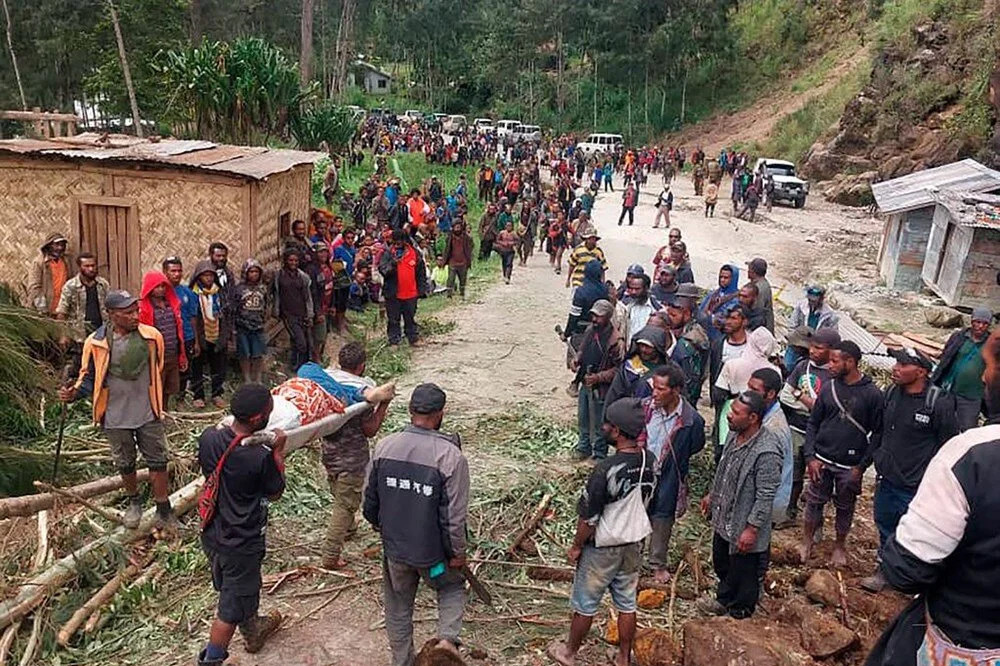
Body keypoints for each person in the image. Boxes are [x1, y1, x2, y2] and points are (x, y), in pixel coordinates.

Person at [864, 370, 1000, 666]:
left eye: (989, 368)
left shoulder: (972, 454)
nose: (983, 378)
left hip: (963, 643)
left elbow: (906, 571)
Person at [362, 384, 469, 666]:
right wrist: (457, 552)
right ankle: (447, 642)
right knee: (450, 588)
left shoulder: (385, 446)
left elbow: (369, 501)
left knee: (398, 605)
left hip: (396, 553)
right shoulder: (450, 457)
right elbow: (453, 518)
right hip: (433, 558)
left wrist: (381, 527)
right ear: (440, 414)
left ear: (410, 412)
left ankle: (402, 661)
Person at [547, 398, 657, 666]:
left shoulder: (605, 470)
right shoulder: (649, 459)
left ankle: (569, 653)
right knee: (627, 603)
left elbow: (589, 518)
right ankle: (623, 656)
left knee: (585, 603)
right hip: (634, 543)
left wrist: (575, 546)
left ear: (617, 431)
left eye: (607, 424)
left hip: (603, 547)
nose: (604, 427)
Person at [59, 290, 173, 530]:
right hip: (114, 413)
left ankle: (164, 509)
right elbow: (89, 378)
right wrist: (73, 394)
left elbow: (159, 367)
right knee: (125, 461)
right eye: (128, 312)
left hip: (147, 409)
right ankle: (134, 502)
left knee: (158, 460)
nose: (135, 316)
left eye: (136, 311)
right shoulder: (96, 342)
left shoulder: (152, 337)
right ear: (111, 315)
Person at [196, 384, 286, 665]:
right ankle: (212, 659)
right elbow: (275, 492)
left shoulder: (209, 438)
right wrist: (278, 452)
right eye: (270, 410)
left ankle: (254, 629)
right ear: (259, 419)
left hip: (212, 533)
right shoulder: (258, 456)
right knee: (230, 606)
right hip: (241, 541)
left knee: (239, 588)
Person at [860, 348, 958, 593]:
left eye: (903, 365)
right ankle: (884, 569)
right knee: (885, 525)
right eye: (896, 363)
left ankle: (914, 580)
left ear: (922, 372)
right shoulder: (892, 393)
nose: (896, 368)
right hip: (888, 478)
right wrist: (868, 462)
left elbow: (949, 446)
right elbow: (880, 431)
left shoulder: (938, 403)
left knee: (916, 534)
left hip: (917, 485)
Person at [698, 391, 782, 620]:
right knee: (723, 562)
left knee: (744, 570)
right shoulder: (735, 436)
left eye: (736, 412)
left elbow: (766, 495)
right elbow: (724, 471)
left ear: (753, 418)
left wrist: (752, 528)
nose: (729, 416)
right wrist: (712, 495)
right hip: (725, 518)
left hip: (743, 523)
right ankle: (723, 599)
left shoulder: (766, 451)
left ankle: (740, 611)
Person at [800, 340, 884, 567]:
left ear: (851, 362)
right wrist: (811, 457)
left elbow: (877, 434)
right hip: (822, 459)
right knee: (814, 502)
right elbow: (813, 423)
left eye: (835, 361)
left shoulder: (872, 394)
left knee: (845, 506)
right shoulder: (828, 387)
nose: (829, 366)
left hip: (850, 464)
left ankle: (839, 545)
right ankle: (807, 541)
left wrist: (861, 467)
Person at [321, 342, 394, 569]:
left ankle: (349, 529)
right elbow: (369, 430)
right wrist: (383, 405)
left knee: (339, 492)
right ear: (361, 366)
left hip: (329, 453)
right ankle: (330, 555)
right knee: (345, 504)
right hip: (351, 458)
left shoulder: (327, 382)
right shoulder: (364, 391)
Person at [644, 364, 706, 584]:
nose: (655, 393)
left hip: (669, 475)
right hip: (642, 472)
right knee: (635, 513)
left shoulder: (692, 421)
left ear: (676, 391)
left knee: (663, 516)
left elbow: (695, 446)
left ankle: (656, 564)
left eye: (661, 389)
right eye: (654, 387)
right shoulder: (645, 409)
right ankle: (628, 560)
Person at [778, 328, 840, 524]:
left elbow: (831, 408)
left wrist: (802, 397)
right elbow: (786, 396)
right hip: (797, 428)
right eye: (812, 346)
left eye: (819, 348)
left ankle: (816, 521)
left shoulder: (834, 374)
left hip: (822, 434)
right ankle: (789, 510)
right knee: (793, 472)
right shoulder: (802, 367)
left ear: (832, 350)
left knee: (819, 478)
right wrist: (812, 405)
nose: (813, 351)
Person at [713, 327, 781, 457]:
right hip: (761, 416)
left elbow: (718, 395)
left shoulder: (732, 364)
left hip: (733, 407)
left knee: (726, 450)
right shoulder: (775, 371)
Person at [572, 300, 626, 461]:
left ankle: (599, 453)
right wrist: (576, 360)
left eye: (599, 316)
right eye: (593, 315)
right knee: (583, 417)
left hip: (602, 389)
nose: (595, 319)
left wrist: (598, 377)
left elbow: (620, 369)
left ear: (608, 317)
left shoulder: (616, 341)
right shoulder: (591, 330)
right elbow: (583, 349)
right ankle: (584, 447)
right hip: (585, 381)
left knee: (600, 422)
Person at [931, 307, 992, 430]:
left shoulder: (992, 344)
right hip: (948, 389)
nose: (980, 326)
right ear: (972, 321)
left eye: (985, 323)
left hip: (972, 395)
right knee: (939, 422)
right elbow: (946, 357)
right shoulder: (959, 336)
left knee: (967, 428)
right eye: (978, 322)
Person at [748, 367, 793, 524]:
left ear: (771, 394)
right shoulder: (763, 416)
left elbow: (768, 479)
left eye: (754, 390)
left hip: (765, 505)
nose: (747, 393)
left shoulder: (773, 429)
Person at [138, 271, 189, 408]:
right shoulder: (144, 309)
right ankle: (155, 412)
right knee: (156, 385)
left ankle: (164, 410)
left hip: (172, 352)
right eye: (157, 287)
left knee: (169, 386)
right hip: (155, 355)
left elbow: (178, 329)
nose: (161, 290)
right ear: (149, 288)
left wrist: (181, 354)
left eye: (163, 286)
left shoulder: (171, 305)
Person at [708, 306, 751, 459]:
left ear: (744, 321)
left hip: (747, 400)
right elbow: (713, 370)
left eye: (734, 318)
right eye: (728, 318)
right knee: (722, 438)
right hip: (724, 398)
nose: (729, 322)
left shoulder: (752, 346)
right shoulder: (719, 345)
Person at [189, 261, 230, 409]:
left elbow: (226, 313)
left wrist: (226, 334)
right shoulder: (193, 293)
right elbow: (192, 316)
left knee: (218, 365)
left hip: (217, 332)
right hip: (200, 334)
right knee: (197, 366)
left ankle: (217, 394)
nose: (208, 279)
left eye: (211, 275)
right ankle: (198, 395)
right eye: (205, 275)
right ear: (198, 277)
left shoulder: (219, 292)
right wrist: (196, 339)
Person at [379, 230, 427, 347]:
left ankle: (412, 338)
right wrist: (393, 264)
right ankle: (394, 341)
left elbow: (421, 273)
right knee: (393, 319)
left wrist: (421, 290)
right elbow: (383, 270)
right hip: (393, 293)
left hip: (411, 293)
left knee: (410, 317)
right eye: (395, 241)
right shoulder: (388, 254)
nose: (397, 243)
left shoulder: (414, 253)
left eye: (400, 241)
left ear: (405, 241)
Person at [604, 327, 670, 410]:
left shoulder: (668, 370)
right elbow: (614, 394)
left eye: (648, 347)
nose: (643, 350)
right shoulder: (628, 367)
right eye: (641, 345)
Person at [162, 257, 200, 400]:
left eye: (179, 270)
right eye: (173, 271)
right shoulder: (160, 292)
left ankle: (181, 398)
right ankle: (165, 399)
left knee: (184, 369)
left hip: (186, 337)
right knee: (166, 369)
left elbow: (193, 317)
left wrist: (196, 341)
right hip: (168, 339)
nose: (177, 274)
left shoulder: (187, 293)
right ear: (165, 272)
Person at [272, 248, 314, 371]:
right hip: (288, 314)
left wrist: (309, 314)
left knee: (300, 340)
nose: (293, 263)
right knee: (301, 342)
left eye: (296, 260)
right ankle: (299, 367)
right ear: (285, 260)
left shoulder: (303, 277)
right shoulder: (279, 275)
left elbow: (308, 296)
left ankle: (296, 365)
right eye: (290, 260)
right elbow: (273, 293)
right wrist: (276, 310)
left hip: (302, 313)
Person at [55, 252, 109, 344]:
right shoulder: (71, 286)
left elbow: (109, 308)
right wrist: (63, 335)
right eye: (86, 266)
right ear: (80, 267)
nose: (91, 269)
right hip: (79, 336)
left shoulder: (103, 284)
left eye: (93, 265)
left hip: (100, 333)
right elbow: (62, 312)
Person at [232, 259, 269, 384]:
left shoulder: (263, 288)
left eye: (256, 272)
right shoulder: (239, 289)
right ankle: (247, 378)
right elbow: (234, 307)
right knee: (244, 353)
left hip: (258, 326)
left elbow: (266, 304)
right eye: (251, 271)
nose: (254, 274)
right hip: (242, 326)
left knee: (258, 353)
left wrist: (264, 319)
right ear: (245, 273)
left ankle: (257, 378)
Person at [28, 232, 73, 314]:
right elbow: (34, 287)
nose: (60, 248)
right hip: (45, 308)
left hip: (61, 309)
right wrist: (42, 308)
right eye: (56, 245)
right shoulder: (39, 262)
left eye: (62, 245)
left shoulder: (66, 261)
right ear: (48, 246)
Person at [697, 264, 740, 343]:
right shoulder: (713, 294)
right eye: (721, 277)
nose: (722, 280)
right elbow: (700, 311)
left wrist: (710, 316)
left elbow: (724, 320)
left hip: (720, 339)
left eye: (726, 278)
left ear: (733, 279)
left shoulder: (736, 300)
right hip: (704, 335)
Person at [622, 274, 661, 347]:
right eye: (631, 288)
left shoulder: (656, 308)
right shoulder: (628, 307)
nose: (633, 292)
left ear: (646, 288)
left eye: (637, 289)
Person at [442, 219, 474, 299]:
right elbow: (446, 250)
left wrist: (469, 258)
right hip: (452, 262)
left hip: (463, 261)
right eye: (456, 227)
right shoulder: (450, 237)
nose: (457, 229)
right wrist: (445, 260)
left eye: (459, 227)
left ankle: (462, 293)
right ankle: (449, 294)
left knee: (463, 279)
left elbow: (471, 246)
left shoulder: (466, 237)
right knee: (451, 279)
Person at [745, 258, 774, 334]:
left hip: (759, 331)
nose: (747, 271)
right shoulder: (763, 283)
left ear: (753, 272)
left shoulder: (758, 289)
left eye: (749, 269)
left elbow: (757, 311)